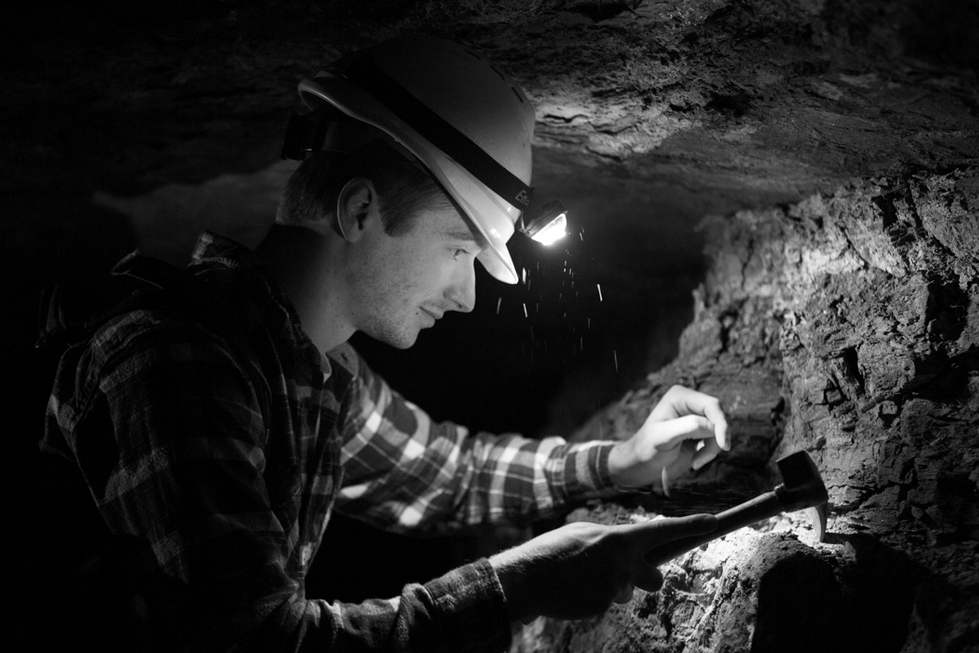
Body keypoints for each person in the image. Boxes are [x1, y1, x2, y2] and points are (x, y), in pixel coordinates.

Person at [39, 36, 731, 652]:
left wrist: (619, 460)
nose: (465, 296)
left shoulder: (313, 368)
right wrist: (519, 583)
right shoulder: (178, 365)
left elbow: (449, 474)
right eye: (459, 251)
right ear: (360, 209)